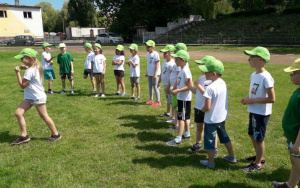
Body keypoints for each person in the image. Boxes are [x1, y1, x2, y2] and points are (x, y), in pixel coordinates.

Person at [12, 48, 61, 145]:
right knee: (18, 113)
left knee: (44, 116)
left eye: (22, 58)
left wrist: (18, 73)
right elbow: (32, 72)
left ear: (29, 58)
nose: (21, 60)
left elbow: (22, 85)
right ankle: (24, 135)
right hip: (30, 97)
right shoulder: (36, 66)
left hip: (37, 97)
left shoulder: (30, 71)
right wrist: (26, 68)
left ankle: (56, 134)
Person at [241, 46, 275, 173]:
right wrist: (247, 99)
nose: (248, 60)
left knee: (258, 137)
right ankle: (259, 156)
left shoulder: (266, 77)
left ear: (260, 59)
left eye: (251, 57)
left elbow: (272, 99)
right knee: (251, 134)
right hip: (254, 110)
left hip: (261, 113)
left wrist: (252, 100)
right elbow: (255, 93)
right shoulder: (254, 75)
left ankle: (258, 163)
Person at [199, 58, 236, 169]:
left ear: (213, 74)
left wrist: (202, 110)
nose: (204, 73)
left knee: (209, 141)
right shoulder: (223, 83)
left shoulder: (210, 88)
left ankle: (211, 162)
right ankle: (231, 156)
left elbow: (207, 107)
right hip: (221, 118)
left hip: (210, 120)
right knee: (224, 137)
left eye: (206, 71)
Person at [272, 58, 300, 188]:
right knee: (294, 163)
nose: (290, 75)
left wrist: (297, 144)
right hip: (292, 135)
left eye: (293, 72)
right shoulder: (298, 90)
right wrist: (288, 129)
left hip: (297, 140)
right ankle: (290, 185)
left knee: (298, 163)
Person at [186, 56, 219, 156]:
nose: (200, 67)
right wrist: (189, 86)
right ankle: (198, 143)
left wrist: (199, 85)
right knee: (199, 126)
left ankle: (214, 148)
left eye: (203, 65)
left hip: (207, 108)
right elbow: (197, 92)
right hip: (198, 107)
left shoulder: (211, 80)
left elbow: (207, 94)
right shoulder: (201, 78)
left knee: (211, 129)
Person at [166, 50, 192, 146]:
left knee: (180, 118)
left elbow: (189, 86)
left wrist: (178, 91)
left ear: (183, 60)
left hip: (184, 99)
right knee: (185, 118)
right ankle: (187, 134)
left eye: (177, 59)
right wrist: (175, 88)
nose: (175, 61)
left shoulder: (186, 71)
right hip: (181, 98)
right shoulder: (181, 69)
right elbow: (179, 81)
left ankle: (178, 139)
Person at [158, 44, 175, 118]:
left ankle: (174, 116)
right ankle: (168, 112)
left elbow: (172, 76)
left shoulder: (172, 64)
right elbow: (162, 72)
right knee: (168, 99)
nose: (163, 54)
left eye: (165, 53)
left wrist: (168, 86)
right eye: (163, 53)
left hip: (170, 85)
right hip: (165, 84)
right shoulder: (164, 62)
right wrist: (159, 82)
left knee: (173, 100)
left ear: (171, 53)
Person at [145, 40, 161, 107]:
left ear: (152, 47)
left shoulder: (155, 54)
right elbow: (149, 64)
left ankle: (158, 101)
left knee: (155, 87)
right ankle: (151, 99)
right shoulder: (148, 54)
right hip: (150, 73)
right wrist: (147, 72)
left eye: (148, 47)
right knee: (150, 86)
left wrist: (155, 74)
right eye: (146, 46)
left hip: (155, 74)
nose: (147, 48)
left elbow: (157, 64)